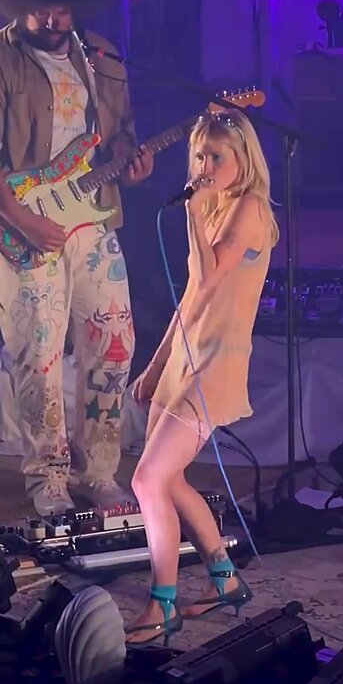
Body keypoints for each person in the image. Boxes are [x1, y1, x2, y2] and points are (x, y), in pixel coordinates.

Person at [0, 0, 153, 516]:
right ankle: (48, 479)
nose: (50, 19)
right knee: (37, 356)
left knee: (113, 345)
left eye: (61, 7)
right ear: (18, 1)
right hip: (21, 226)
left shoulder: (103, 58)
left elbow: (120, 137)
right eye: (39, 7)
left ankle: (101, 471)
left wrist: (133, 163)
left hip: (94, 221)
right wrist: (25, 223)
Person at [126, 110, 279, 645]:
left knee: (147, 480)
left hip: (216, 364)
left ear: (243, 159)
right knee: (167, 479)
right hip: (184, 359)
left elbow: (210, 273)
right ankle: (225, 580)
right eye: (199, 156)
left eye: (216, 156)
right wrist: (154, 366)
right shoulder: (213, 207)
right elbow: (191, 299)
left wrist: (192, 210)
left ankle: (161, 604)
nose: (205, 166)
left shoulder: (250, 207)